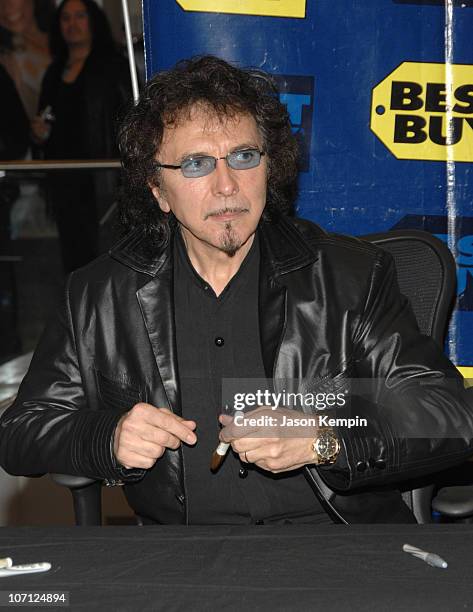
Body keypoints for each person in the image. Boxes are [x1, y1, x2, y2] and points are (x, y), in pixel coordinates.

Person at [1, 55, 472, 525]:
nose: (227, 185)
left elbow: (448, 415)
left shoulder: (350, 276)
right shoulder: (98, 295)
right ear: (158, 191)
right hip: (182, 559)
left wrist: (324, 439)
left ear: (270, 167)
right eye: (195, 164)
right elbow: (21, 431)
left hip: (337, 548)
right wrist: (107, 436)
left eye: (244, 157)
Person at [31, 0, 131, 273]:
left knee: (105, 260)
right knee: (73, 260)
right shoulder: (54, 71)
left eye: (79, 16)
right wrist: (39, 134)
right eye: (65, 18)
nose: (72, 24)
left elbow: (132, 121)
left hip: (103, 181)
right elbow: (46, 117)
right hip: (64, 180)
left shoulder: (113, 66)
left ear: (93, 21)